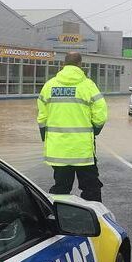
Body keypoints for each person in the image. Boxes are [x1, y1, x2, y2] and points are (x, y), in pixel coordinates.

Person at [37, 52, 107, 202]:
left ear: (63, 65)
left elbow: (42, 118)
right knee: (91, 188)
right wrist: (95, 130)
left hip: (59, 150)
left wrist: (45, 135)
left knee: (61, 189)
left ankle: (59, 220)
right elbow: (101, 114)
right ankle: (94, 219)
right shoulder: (88, 86)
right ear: (80, 65)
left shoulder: (49, 86)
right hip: (83, 151)